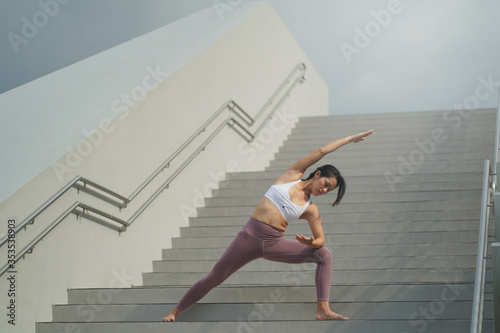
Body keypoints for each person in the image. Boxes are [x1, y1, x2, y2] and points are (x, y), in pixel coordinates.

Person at [162, 129, 374, 322]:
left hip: (274, 243)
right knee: (215, 276)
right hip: (247, 238)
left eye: (329, 191)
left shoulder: (311, 209)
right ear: (318, 174)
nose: (325, 190)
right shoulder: (292, 176)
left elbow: (321, 239)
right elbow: (321, 152)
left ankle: (323, 309)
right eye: (326, 185)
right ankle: (175, 311)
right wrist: (348, 139)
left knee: (324, 254)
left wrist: (312, 242)